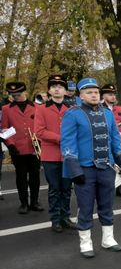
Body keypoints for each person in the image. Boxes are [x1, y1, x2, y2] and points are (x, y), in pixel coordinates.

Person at [61, 78, 121, 258]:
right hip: (85, 168)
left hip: (106, 167)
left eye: (96, 92)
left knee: (107, 204)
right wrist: (74, 169)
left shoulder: (108, 113)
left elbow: (115, 138)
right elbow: (68, 143)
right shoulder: (72, 113)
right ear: (81, 95)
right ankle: (86, 242)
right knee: (85, 207)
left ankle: (108, 239)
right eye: (89, 92)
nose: (93, 95)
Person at [34, 75, 75, 232]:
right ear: (49, 90)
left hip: (68, 155)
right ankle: (55, 219)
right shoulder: (41, 109)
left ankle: (65, 217)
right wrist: (61, 139)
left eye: (60, 86)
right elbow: (39, 132)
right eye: (54, 86)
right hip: (50, 155)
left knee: (66, 188)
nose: (57, 88)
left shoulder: (70, 110)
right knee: (54, 189)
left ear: (65, 91)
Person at [1, 81, 43, 214]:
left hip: (34, 148)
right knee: (21, 176)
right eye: (13, 94)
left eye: (18, 94)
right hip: (17, 149)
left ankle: (35, 201)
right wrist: (11, 145)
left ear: (24, 92)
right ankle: (23, 203)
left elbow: (42, 127)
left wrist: (40, 141)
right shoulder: (6, 109)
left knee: (35, 176)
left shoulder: (37, 107)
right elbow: (4, 129)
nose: (15, 97)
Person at [100, 83, 121, 197]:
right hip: (105, 141)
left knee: (120, 164)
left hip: (119, 139)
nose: (113, 96)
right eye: (109, 94)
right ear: (103, 96)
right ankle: (109, 188)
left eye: (114, 94)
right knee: (108, 166)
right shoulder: (99, 108)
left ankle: (120, 187)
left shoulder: (119, 108)